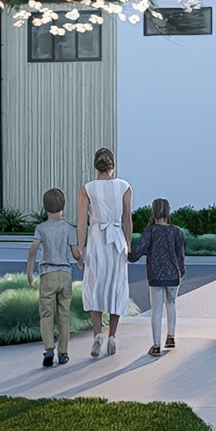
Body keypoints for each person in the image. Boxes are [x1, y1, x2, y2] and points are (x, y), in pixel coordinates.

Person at [75, 148, 133, 358]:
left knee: (95, 285)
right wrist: (128, 245)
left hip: (97, 240)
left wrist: (80, 249)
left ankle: (98, 333)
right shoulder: (124, 187)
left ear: (95, 166)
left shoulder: (86, 189)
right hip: (116, 241)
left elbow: (81, 223)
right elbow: (127, 219)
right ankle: (113, 336)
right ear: (113, 166)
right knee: (116, 286)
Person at [127, 197, 185, 358]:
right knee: (172, 304)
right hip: (174, 275)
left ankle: (156, 345)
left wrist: (126, 253)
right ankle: (171, 337)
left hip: (155, 276)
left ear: (153, 212)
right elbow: (181, 256)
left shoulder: (150, 231)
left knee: (157, 310)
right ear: (168, 211)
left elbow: (138, 252)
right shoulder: (176, 231)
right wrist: (181, 272)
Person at [25, 186, 77, 367]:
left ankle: (48, 350)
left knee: (46, 314)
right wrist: (80, 258)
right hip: (65, 274)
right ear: (63, 207)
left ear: (45, 208)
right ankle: (63, 353)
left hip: (47, 274)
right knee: (64, 315)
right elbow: (76, 252)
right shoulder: (69, 228)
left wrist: (29, 272)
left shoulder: (41, 228)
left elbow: (33, 251)